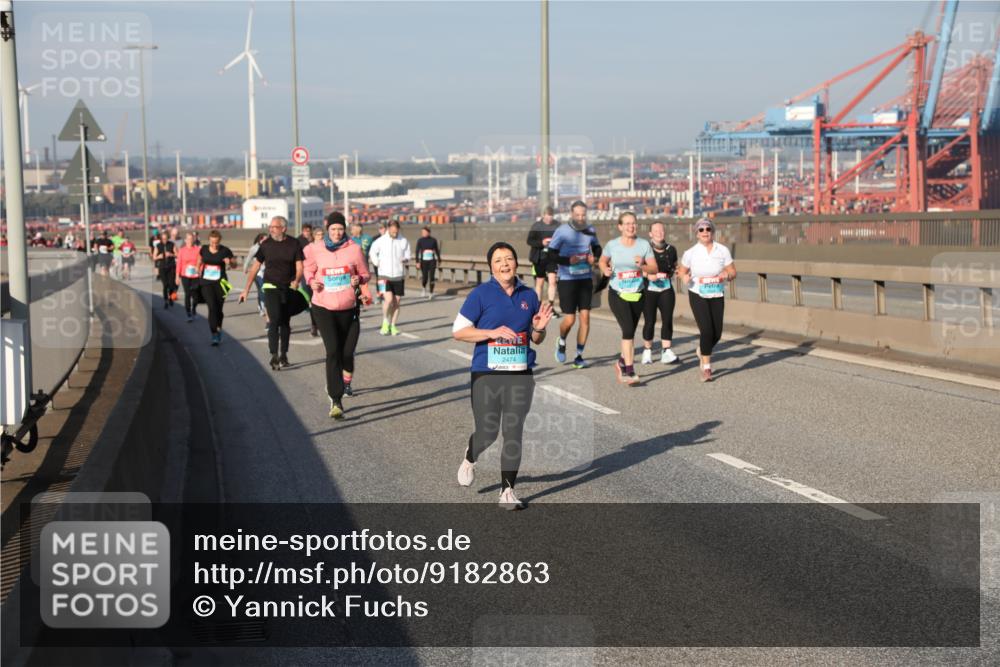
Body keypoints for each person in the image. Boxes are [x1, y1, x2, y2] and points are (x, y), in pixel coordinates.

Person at [453, 242, 553, 510]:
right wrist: (490, 332)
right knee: (487, 431)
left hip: (520, 373)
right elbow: (459, 331)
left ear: (516, 263)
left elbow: (536, 338)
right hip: (486, 372)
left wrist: (540, 329)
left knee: (513, 431)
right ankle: (470, 456)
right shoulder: (480, 295)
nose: (505, 264)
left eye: (509, 258)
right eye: (498, 260)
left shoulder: (529, 295)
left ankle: (507, 491)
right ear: (491, 267)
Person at [304, 216, 372, 420]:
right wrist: (311, 281)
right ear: (327, 229)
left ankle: (342, 381)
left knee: (347, 352)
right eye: (333, 229)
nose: (337, 233)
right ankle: (336, 399)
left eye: (340, 229)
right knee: (333, 351)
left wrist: (358, 279)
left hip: (348, 307)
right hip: (323, 307)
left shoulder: (354, 249)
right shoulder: (315, 248)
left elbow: (365, 273)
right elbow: (309, 269)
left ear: (345, 229)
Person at [239, 216, 304, 370]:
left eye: (274, 227)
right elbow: (255, 268)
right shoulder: (266, 245)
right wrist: (246, 289)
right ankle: (274, 355)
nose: (271, 229)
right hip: (270, 287)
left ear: (283, 228)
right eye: (270, 227)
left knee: (285, 322)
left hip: (287, 287)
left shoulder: (294, 244)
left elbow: (300, 266)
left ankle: (284, 354)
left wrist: (296, 280)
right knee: (274, 320)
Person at [599, 212, 657, 385]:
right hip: (617, 293)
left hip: (638, 293)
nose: (631, 227)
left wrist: (643, 265)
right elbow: (602, 261)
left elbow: (654, 268)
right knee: (628, 331)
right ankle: (630, 371)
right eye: (627, 224)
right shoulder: (612, 245)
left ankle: (621, 362)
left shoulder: (643, 244)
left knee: (630, 330)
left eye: (633, 223)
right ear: (620, 226)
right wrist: (605, 269)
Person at [676, 219, 736, 382]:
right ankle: (706, 367)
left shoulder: (722, 250)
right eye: (701, 230)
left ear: (712, 231)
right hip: (697, 293)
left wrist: (727, 275)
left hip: (717, 293)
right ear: (696, 233)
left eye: (708, 229)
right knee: (707, 330)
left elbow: (732, 271)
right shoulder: (691, 253)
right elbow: (681, 271)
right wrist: (684, 277)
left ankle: (702, 350)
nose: (705, 232)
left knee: (717, 333)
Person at [547, 200, 601, 368]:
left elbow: (597, 248)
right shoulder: (562, 231)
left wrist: (595, 258)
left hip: (585, 279)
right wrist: (567, 260)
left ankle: (579, 356)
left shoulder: (590, 230)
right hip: (567, 280)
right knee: (569, 320)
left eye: (583, 215)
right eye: (577, 214)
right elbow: (551, 254)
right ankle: (562, 341)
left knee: (585, 318)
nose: (580, 217)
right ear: (571, 214)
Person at [641, 222, 679, 365]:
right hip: (649, 290)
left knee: (667, 320)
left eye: (661, 230)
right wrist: (647, 275)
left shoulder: (671, 250)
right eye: (656, 230)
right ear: (650, 234)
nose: (659, 232)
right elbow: (637, 268)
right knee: (650, 321)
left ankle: (666, 351)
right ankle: (647, 350)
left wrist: (679, 271)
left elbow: (674, 266)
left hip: (666, 289)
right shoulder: (645, 249)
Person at [368, 220, 411, 335]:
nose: (394, 233)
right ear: (388, 229)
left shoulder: (403, 241)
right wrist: (377, 263)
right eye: (392, 231)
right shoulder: (380, 241)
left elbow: (408, 254)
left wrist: (405, 259)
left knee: (397, 301)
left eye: (396, 231)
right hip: (383, 275)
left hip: (398, 275)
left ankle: (393, 325)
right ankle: (385, 321)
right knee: (388, 299)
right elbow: (372, 252)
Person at [198, 230, 237, 345]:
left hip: (222, 282)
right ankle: (214, 333)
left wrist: (229, 262)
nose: (214, 245)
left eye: (216, 243)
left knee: (219, 309)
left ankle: (219, 327)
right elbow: (199, 259)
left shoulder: (225, 251)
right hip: (206, 282)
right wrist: (197, 268)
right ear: (209, 240)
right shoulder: (204, 249)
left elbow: (234, 265)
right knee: (212, 306)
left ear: (219, 241)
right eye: (212, 243)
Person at [526, 205, 560, 316]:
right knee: (539, 282)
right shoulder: (537, 226)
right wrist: (542, 242)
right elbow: (529, 241)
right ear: (543, 215)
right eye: (548, 216)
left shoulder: (557, 225)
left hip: (552, 257)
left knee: (552, 281)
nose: (549, 218)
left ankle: (551, 306)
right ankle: (538, 306)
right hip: (539, 257)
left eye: (551, 216)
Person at [175, 232, 203, 322]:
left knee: (195, 295)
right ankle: (188, 313)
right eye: (188, 239)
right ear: (185, 240)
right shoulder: (182, 250)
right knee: (187, 294)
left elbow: (201, 262)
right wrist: (177, 277)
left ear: (194, 240)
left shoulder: (198, 249)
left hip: (195, 275)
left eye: (191, 239)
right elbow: (179, 264)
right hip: (185, 275)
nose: (190, 241)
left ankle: (194, 309)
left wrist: (200, 271)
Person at [244, 232, 269, 328]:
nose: (266, 241)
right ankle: (262, 307)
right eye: (264, 239)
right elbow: (248, 258)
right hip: (258, 273)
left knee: (266, 292)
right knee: (262, 291)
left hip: (268, 273)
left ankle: (263, 307)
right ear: (260, 240)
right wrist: (245, 268)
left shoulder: (270, 247)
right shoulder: (254, 248)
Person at [151, 231, 177, 308]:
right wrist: (159, 256)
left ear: (168, 238)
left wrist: (171, 254)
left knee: (172, 285)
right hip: (162, 268)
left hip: (171, 267)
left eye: (165, 239)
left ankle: (171, 298)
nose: (164, 240)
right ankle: (166, 300)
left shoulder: (172, 244)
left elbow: (177, 254)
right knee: (165, 285)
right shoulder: (158, 246)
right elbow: (154, 257)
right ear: (161, 239)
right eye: (163, 239)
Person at [415, 226, 441, 299]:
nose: (423, 233)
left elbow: (437, 250)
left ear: (428, 232)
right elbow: (417, 251)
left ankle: (431, 292)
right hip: (424, 261)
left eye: (424, 232)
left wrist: (439, 260)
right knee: (425, 277)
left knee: (432, 277)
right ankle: (423, 288)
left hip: (432, 261)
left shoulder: (433, 240)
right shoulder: (420, 240)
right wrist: (417, 262)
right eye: (422, 232)